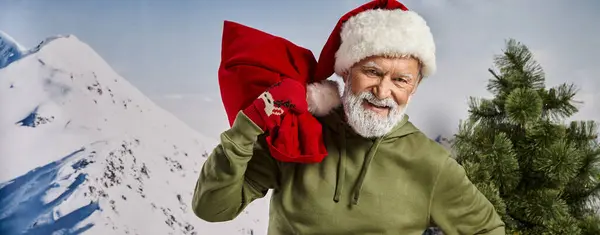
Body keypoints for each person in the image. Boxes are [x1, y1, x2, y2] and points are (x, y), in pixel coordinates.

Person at [192, 0, 506, 234]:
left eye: (401, 80)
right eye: (372, 72)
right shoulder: (298, 132)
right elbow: (212, 208)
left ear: (416, 85)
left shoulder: (431, 165)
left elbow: (487, 230)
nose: (383, 92)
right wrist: (248, 127)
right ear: (346, 71)